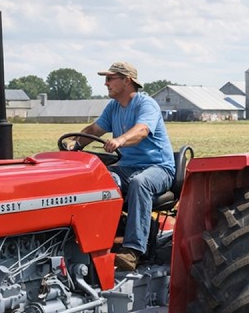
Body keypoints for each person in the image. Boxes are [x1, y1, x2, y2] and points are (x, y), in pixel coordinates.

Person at [73, 61, 175, 271]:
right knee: (98, 179)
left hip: (158, 168)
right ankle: (95, 241)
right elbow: (93, 130)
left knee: (140, 183)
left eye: (110, 79)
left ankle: (132, 251)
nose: (106, 83)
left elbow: (141, 131)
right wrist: (72, 146)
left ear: (127, 81)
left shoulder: (146, 104)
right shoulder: (113, 107)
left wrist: (120, 140)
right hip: (127, 167)